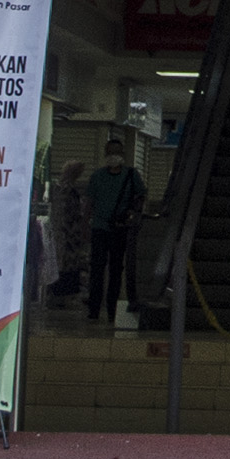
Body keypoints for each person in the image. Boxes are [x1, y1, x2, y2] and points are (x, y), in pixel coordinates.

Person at [83, 136, 148, 326]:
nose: (113, 156)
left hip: (120, 229)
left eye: (117, 153)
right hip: (100, 228)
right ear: (105, 154)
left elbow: (141, 196)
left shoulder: (131, 175)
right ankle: (94, 310)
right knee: (97, 269)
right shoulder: (97, 177)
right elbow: (89, 203)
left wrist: (133, 215)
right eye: (110, 152)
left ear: (122, 155)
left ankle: (112, 310)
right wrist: (85, 226)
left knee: (115, 271)